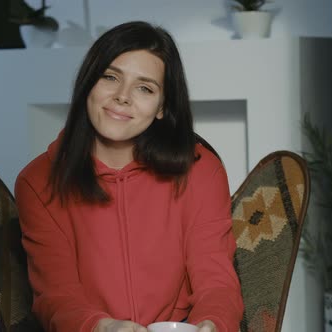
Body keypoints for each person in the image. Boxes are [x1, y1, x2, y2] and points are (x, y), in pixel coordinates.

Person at [15, 21, 243, 332]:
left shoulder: (201, 170)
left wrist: (212, 325)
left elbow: (216, 282)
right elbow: (56, 295)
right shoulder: (38, 181)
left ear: (162, 106)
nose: (123, 97)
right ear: (88, 84)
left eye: (145, 88)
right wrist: (103, 327)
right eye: (110, 77)